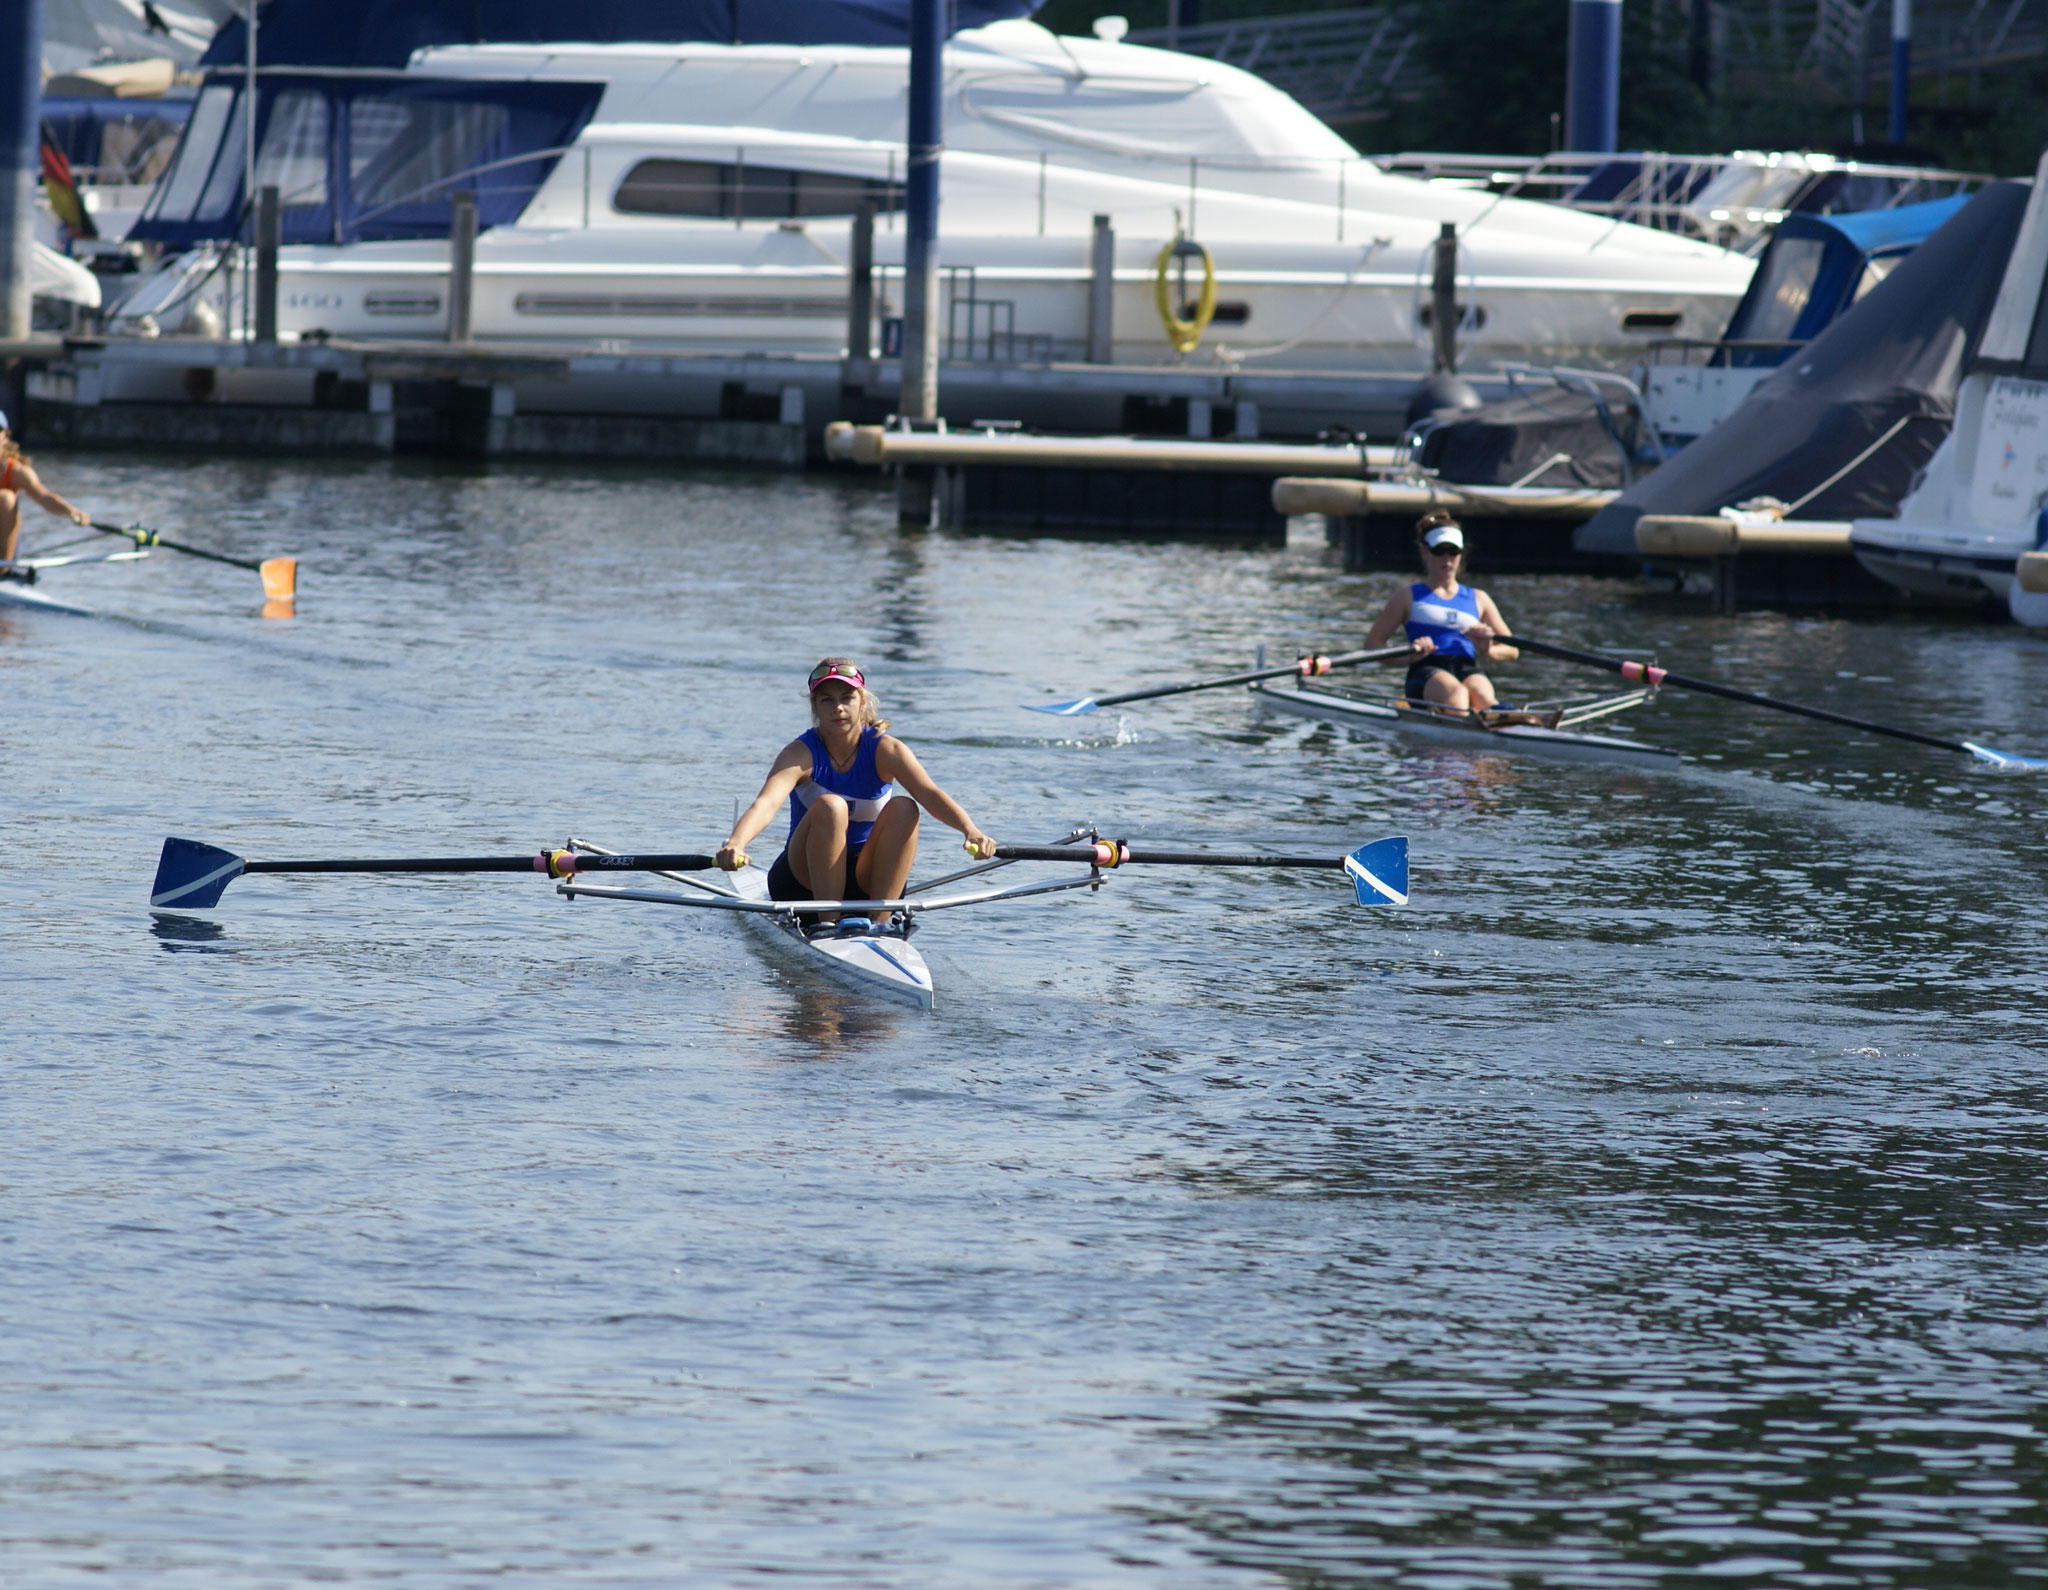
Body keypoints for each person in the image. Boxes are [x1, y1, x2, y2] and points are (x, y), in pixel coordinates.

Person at [716, 658, 997, 935]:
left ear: (862, 702)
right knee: (830, 805)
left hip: (869, 883)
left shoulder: (886, 750)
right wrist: (736, 843)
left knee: (904, 807)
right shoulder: (799, 753)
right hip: (803, 884)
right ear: (814, 706)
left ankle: (881, 923)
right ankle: (827, 924)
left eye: (846, 697)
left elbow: (931, 794)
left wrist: (970, 830)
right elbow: (766, 804)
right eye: (826, 699)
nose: (838, 707)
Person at [1363, 511, 1519, 711]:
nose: (1447, 559)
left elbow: (1512, 650)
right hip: (1425, 670)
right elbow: (1372, 646)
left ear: (1461, 554)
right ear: (1424, 552)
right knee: (1456, 695)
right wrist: (1409, 658)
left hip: (1467, 667)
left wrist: (1487, 649)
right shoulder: (1406, 597)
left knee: (1483, 697)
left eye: (1453, 552)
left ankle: (1500, 723)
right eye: (1439, 551)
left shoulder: (1479, 598)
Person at [0, 411, 91, 568]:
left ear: (5, 436)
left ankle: (3, 567)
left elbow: (44, 497)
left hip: (4, 554)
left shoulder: (17, 472)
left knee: (5, 498)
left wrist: (72, 511)